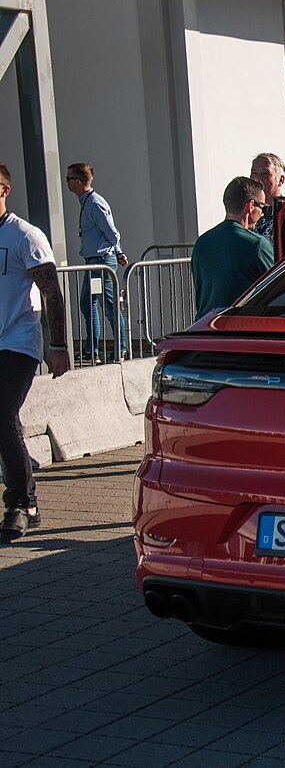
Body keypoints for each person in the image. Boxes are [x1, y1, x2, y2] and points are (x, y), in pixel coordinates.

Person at [1, 162, 71, 542]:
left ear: (4, 190)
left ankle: (22, 504)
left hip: (17, 343)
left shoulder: (23, 235)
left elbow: (52, 292)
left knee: (3, 416)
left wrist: (57, 345)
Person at [67, 163, 125, 364]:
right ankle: (92, 350)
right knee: (88, 304)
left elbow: (112, 233)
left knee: (108, 306)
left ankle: (120, 349)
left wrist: (116, 252)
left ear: (78, 181)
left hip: (101, 261)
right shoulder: (87, 202)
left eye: (69, 179)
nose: (67, 183)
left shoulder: (95, 203)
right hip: (94, 262)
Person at [192, 177, 275, 318]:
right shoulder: (257, 245)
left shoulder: (202, 242)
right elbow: (278, 289)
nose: (262, 214)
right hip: (241, 329)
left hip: (206, 326)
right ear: (250, 206)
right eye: (263, 207)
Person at [250, 152, 285, 243]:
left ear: (280, 180)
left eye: (265, 174)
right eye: (254, 173)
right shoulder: (246, 210)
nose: (257, 179)